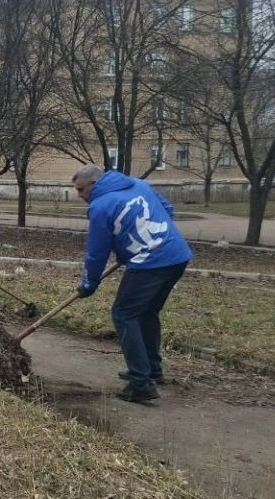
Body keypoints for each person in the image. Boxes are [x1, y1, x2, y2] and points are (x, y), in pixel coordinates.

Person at [72, 165, 193, 403]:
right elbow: (168, 209)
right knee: (146, 312)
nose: (79, 195)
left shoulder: (100, 206)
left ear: (93, 184)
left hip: (150, 263)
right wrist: (146, 239)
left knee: (123, 313)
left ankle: (141, 383)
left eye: (80, 190)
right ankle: (151, 369)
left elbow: (97, 252)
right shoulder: (138, 184)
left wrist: (89, 283)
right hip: (177, 257)